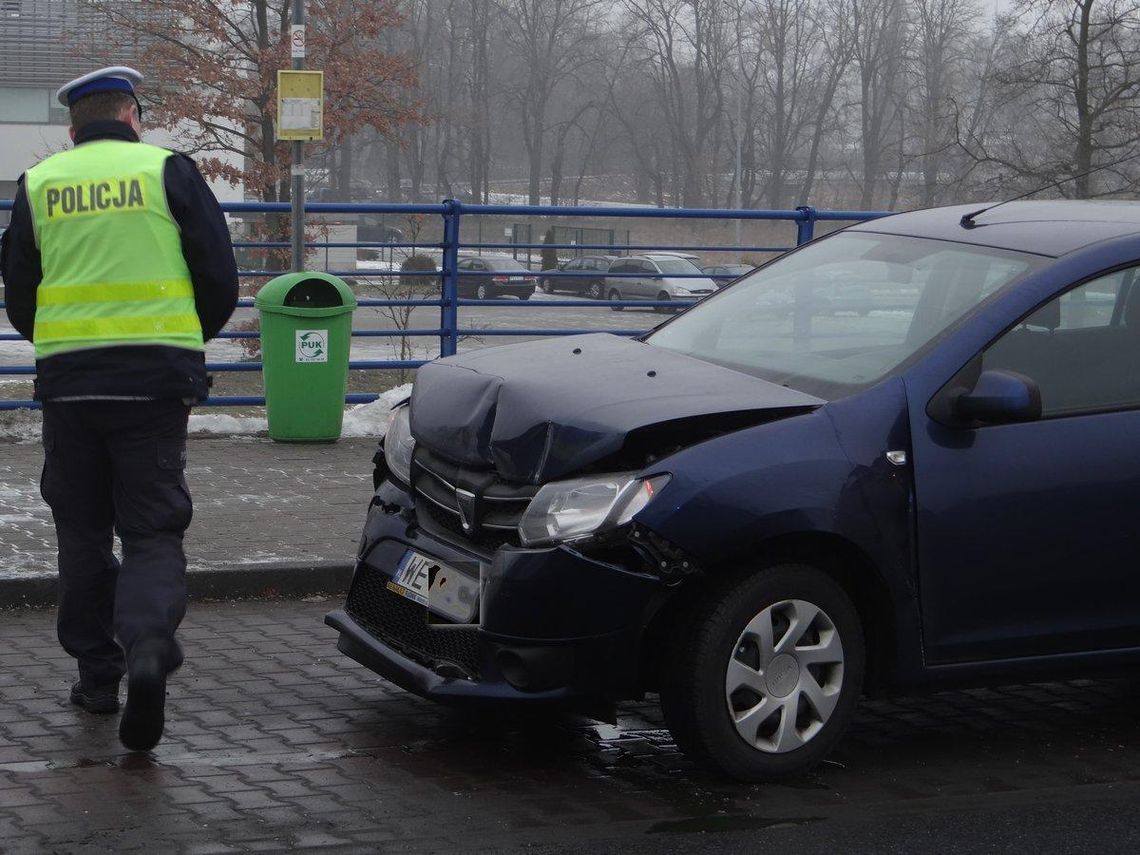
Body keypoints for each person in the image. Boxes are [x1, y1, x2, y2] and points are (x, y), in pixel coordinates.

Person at [0, 66, 239, 752]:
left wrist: (60, 341)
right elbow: (218, 276)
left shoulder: (40, 183)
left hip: (71, 386)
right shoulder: (170, 170)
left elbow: (21, 293)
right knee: (152, 529)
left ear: (73, 127)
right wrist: (182, 338)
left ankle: (97, 676)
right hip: (155, 383)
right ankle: (147, 645)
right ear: (133, 114)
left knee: (80, 529)